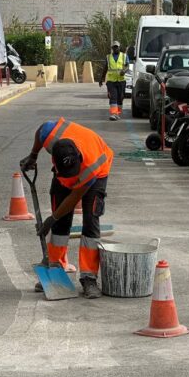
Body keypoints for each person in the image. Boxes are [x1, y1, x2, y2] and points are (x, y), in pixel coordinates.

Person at [20, 118, 114, 299]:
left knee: (90, 221)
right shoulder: (50, 135)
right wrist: (33, 155)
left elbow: (74, 197)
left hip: (97, 175)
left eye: (73, 173)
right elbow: (41, 130)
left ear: (78, 158)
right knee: (60, 225)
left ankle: (89, 278)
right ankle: (55, 268)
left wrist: (51, 218)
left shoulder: (90, 166)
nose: (72, 178)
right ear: (53, 158)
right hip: (64, 174)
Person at [99, 41, 128, 121]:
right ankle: (113, 114)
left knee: (120, 97)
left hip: (121, 80)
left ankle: (117, 113)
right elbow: (105, 68)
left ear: (119, 47)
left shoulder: (124, 56)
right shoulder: (108, 57)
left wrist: (124, 71)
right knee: (113, 97)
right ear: (112, 48)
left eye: (117, 47)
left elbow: (127, 66)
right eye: (114, 47)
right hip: (111, 81)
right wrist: (101, 79)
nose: (115, 48)